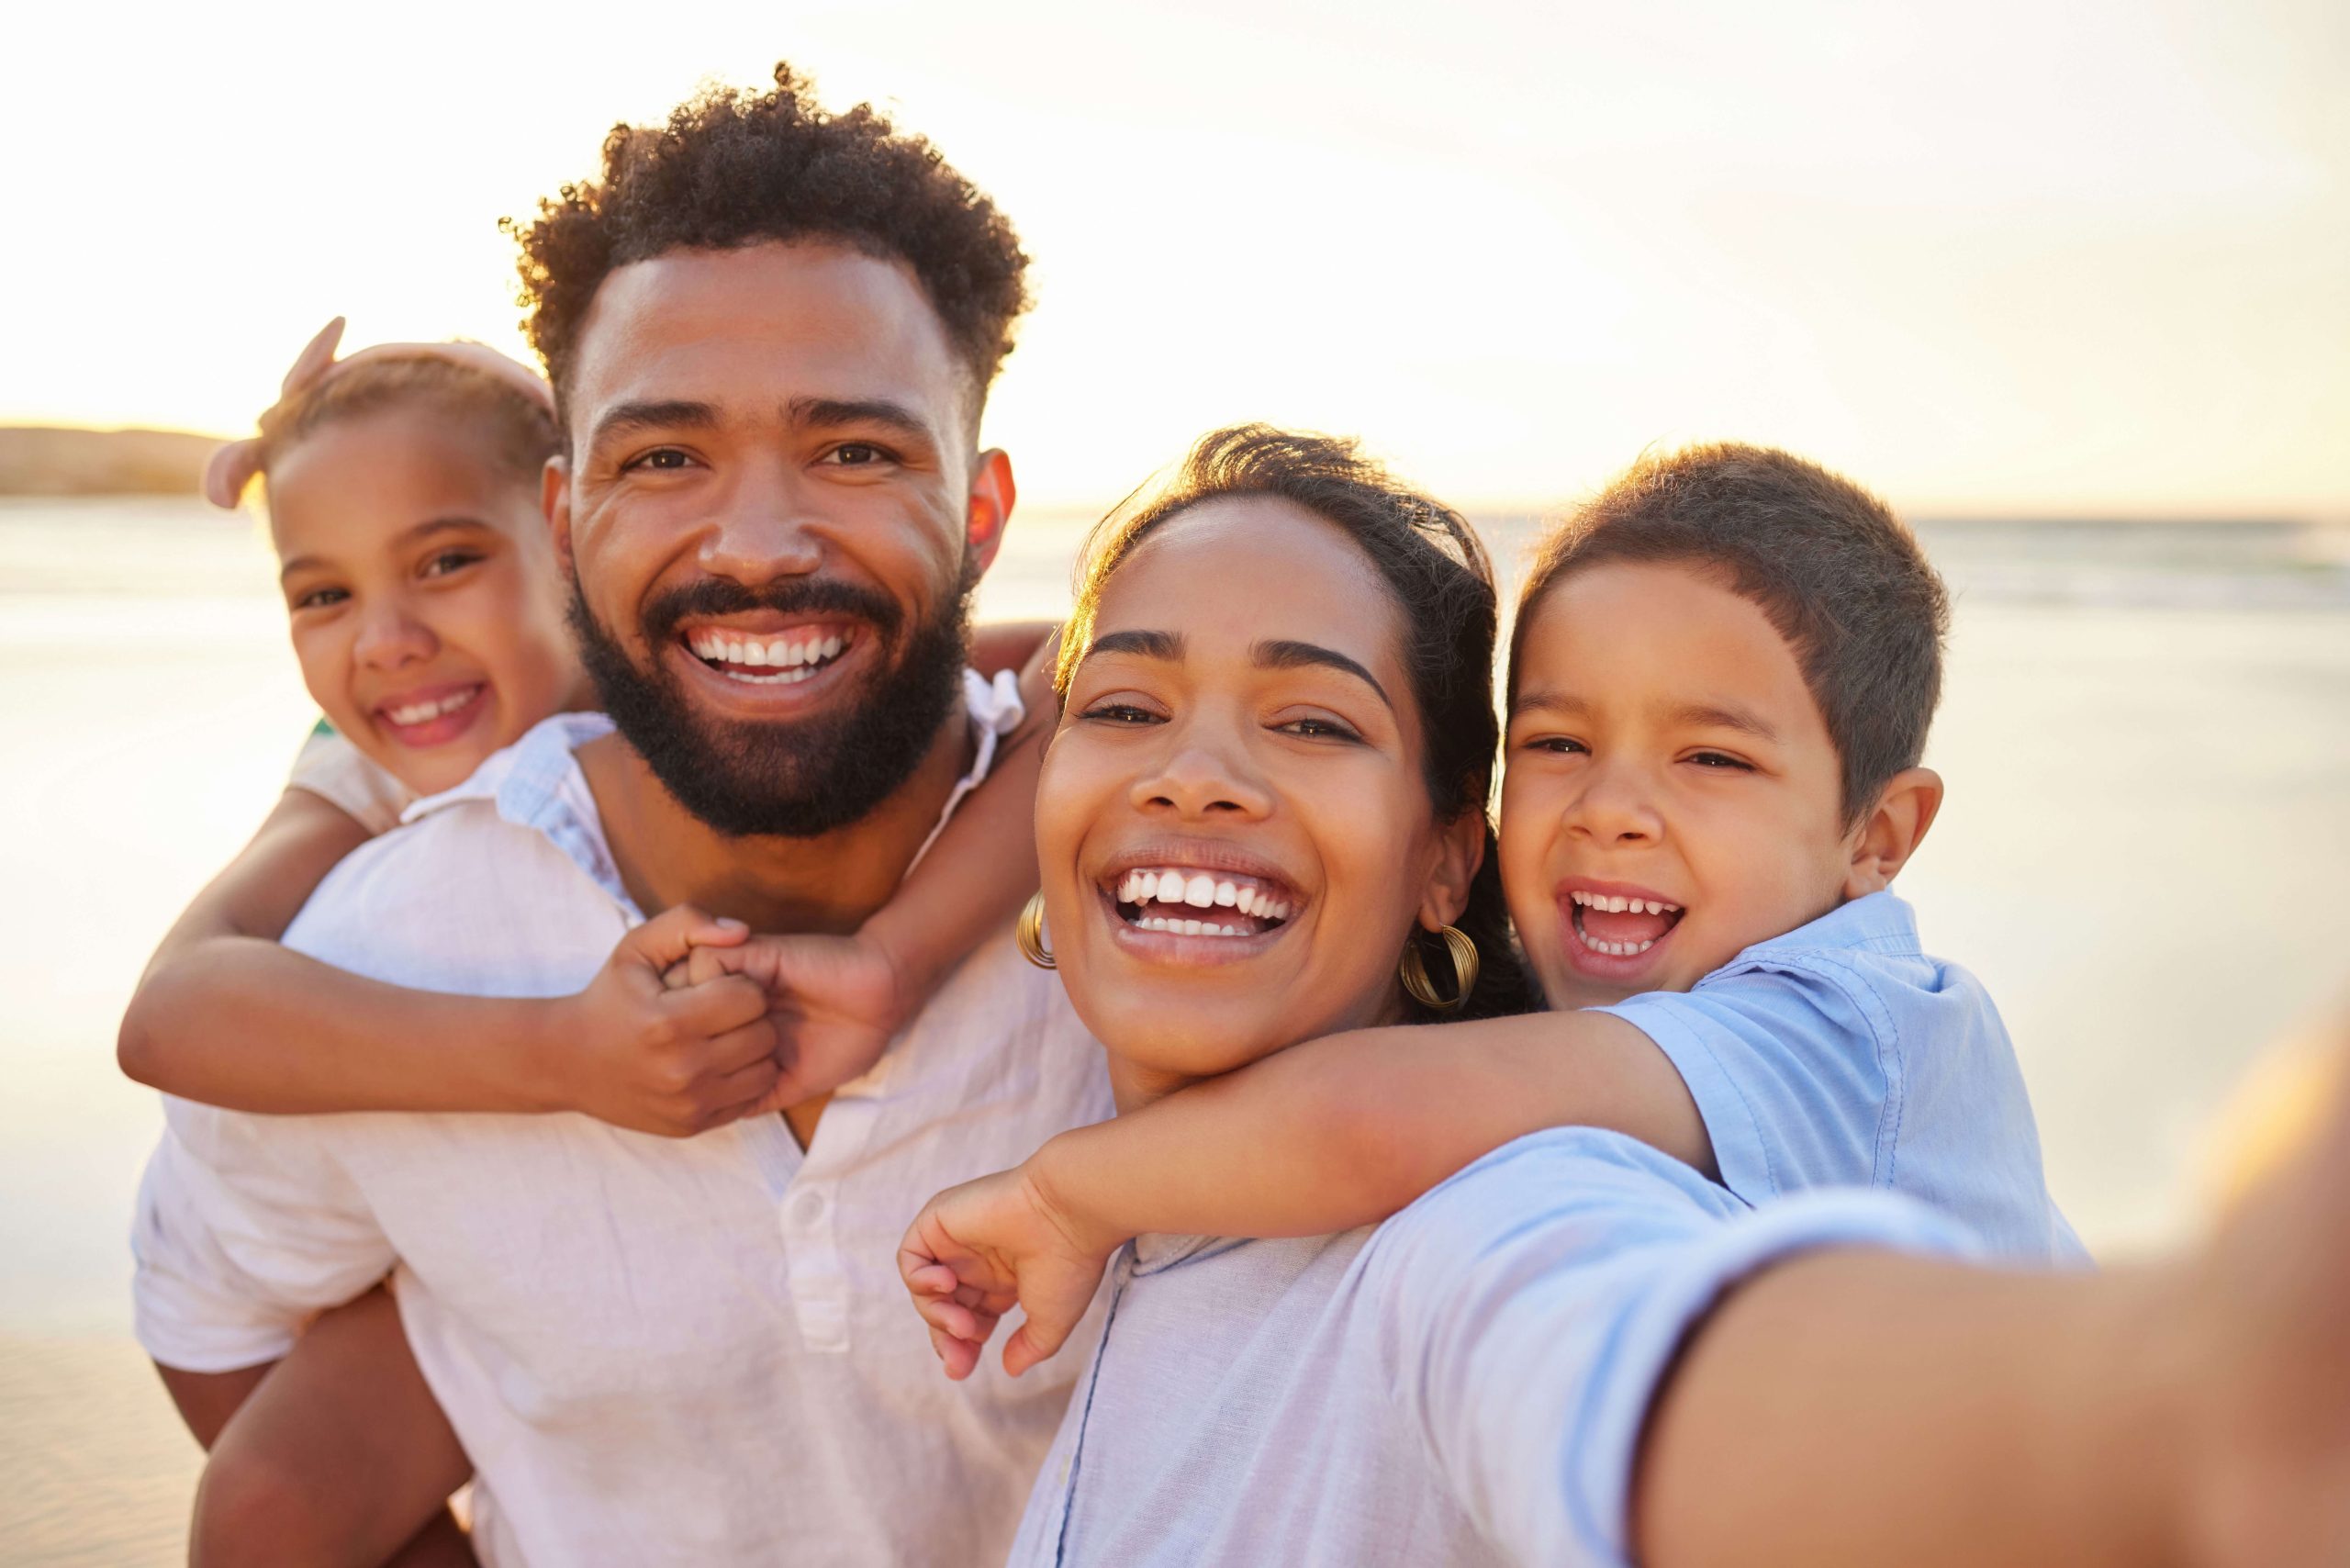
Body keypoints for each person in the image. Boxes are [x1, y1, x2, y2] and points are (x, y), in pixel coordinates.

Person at [898, 424, 2350, 1568]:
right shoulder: (1021, 1046)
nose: (1613, 814)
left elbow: (1623, 1347)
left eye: (1314, 719)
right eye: (1130, 706)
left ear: (1442, 854)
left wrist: (2189, 1407)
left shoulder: (1763, 1066)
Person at [130, 66, 1112, 1567]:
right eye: (663, 457)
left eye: (855, 450)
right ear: (568, 514)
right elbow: (219, 1325)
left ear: (981, 514)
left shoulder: (1154, 889)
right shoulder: (394, 923)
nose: (765, 543)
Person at [901, 441, 2077, 1382]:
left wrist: (1069, 1195)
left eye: (1711, 759)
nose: (1611, 810)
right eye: (1558, 743)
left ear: (1876, 837)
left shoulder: (1844, 1027)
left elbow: (1363, 1125)